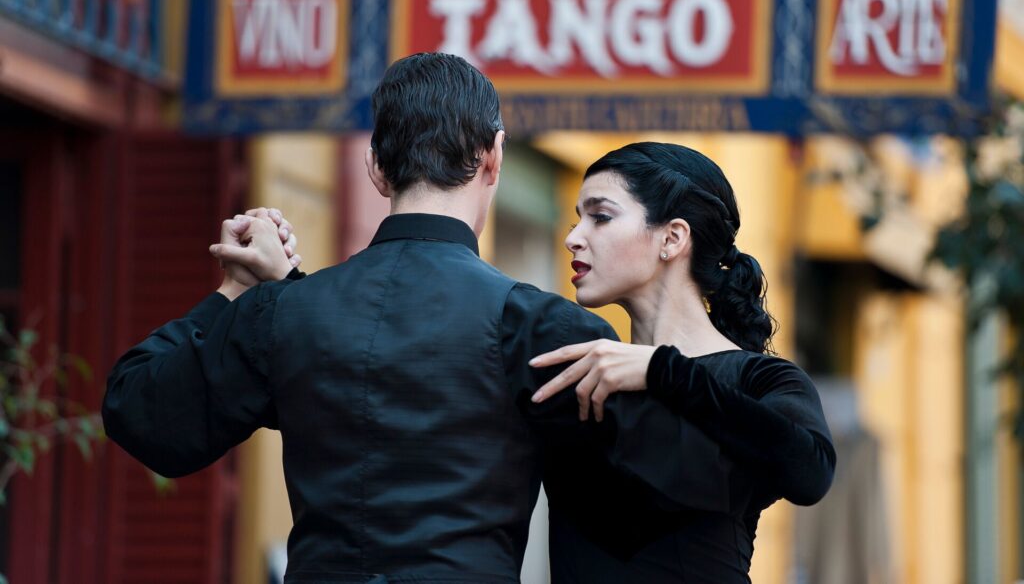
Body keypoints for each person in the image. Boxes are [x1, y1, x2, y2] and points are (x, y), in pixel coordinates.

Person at [102, 54, 726, 583]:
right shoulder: (545, 330)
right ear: (493, 159)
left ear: (376, 165)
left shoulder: (285, 314)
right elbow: (670, 492)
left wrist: (235, 289)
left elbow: (144, 415)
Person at [528, 142, 836, 583]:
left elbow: (811, 471)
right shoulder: (593, 368)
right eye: (579, 218)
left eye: (600, 216)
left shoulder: (757, 376)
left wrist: (664, 372)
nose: (573, 236)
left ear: (672, 238)